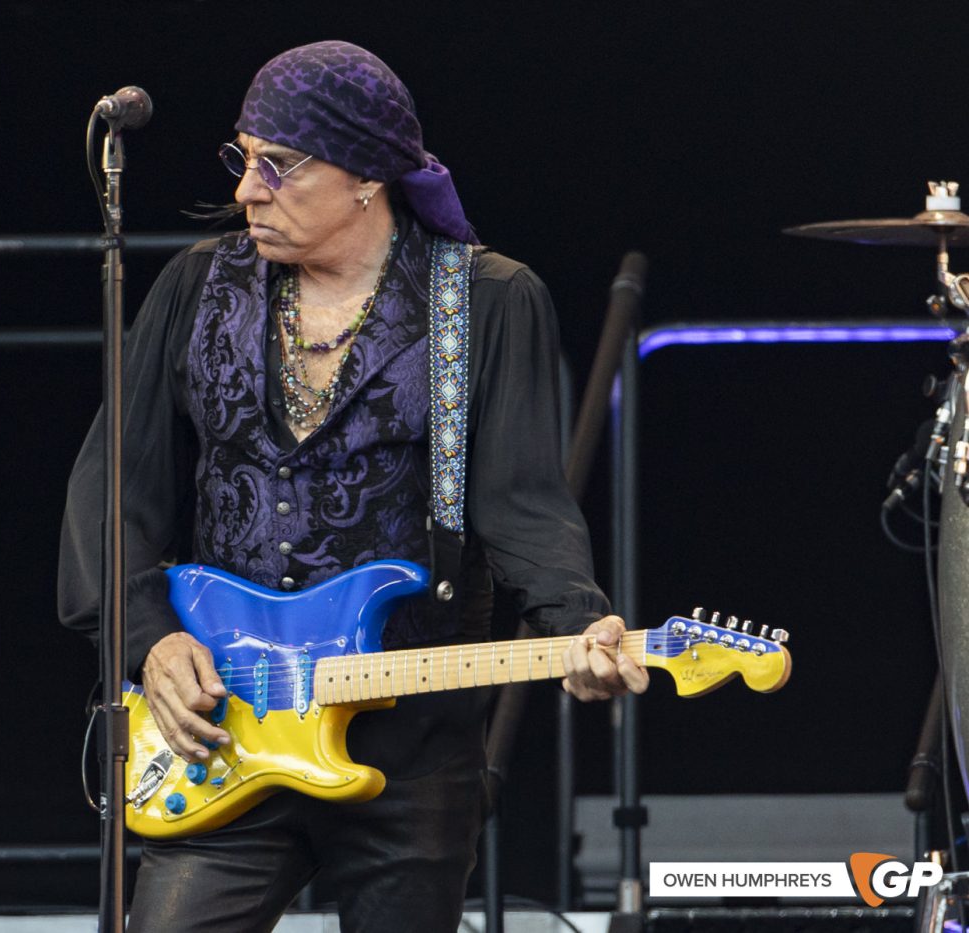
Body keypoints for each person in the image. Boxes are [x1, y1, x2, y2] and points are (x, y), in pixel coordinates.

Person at [58, 39, 649, 933]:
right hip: (228, 728)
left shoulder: (483, 301)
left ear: (369, 174)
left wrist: (579, 623)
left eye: (280, 166)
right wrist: (149, 640)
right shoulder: (197, 286)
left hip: (409, 744)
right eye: (243, 158)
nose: (248, 189)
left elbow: (521, 502)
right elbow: (115, 492)